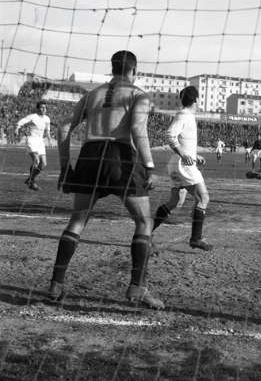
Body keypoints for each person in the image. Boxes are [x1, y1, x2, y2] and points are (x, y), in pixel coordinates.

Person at [48, 50, 163, 309]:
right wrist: (149, 165)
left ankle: (55, 284)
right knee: (144, 221)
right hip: (120, 157)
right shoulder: (138, 94)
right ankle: (137, 287)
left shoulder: (91, 95)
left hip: (89, 156)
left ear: (112, 68)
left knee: (78, 221)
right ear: (134, 70)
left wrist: (66, 167)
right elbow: (137, 129)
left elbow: (63, 127)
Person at [153, 85, 212, 251]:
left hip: (177, 164)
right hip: (183, 166)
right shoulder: (184, 115)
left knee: (175, 201)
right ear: (196, 99)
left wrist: (194, 155)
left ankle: (145, 232)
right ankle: (196, 239)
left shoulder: (186, 115)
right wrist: (183, 155)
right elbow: (170, 135)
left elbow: (183, 140)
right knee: (203, 198)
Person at [15, 101, 51, 191]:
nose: (44, 109)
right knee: (36, 161)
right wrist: (17, 128)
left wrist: (49, 139)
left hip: (40, 142)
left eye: (45, 108)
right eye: (42, 107)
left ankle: (30, 180)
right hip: (32, 140)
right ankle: (31, 181)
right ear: (38, 109)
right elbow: (22, 121)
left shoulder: (47, 119)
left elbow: (47, 130)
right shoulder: (33, 116)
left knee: (43, 164)